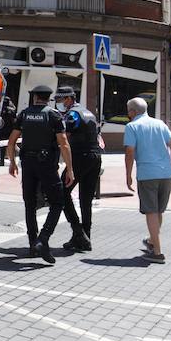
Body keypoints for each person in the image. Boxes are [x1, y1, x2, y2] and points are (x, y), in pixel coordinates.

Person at [7, 85, 75, 264]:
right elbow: (64, 143)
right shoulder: (53, 115)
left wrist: (12, 162)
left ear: (35, 96)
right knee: (58, 202)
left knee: (29, 204)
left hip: (27, 164)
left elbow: (12, 141)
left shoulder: (24, 114)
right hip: (46, 165)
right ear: (49, 98)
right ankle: (43, 239)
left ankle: (32, 245)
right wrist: (69, 169)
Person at [123, 97, 171, 263]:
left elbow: (130, 152)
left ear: (133, 112)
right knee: (158, 211)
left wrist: (128, 175)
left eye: (128, 111)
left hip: (147, 173)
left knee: (151, 211)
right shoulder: (160, 124)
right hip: (165, 173)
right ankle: (151, 241)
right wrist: (170, 164)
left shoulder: (132, 126)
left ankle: (157, 252)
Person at [56, 86, 101, 251]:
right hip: (95, 158)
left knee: (62, 191)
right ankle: (85, 237)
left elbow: (64, 139)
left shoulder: (73, 114)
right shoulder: (88, 112)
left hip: (80, 157)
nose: (59, 104)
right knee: (85, 200)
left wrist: (67, 165)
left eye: (61, 100)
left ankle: (78, 232)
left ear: (69, 98)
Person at [0, 97, 18, 167]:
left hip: (3, 129)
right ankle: (12, 160)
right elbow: (15, 117)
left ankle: (2, 161)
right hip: (11, 129)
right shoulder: (12, 109)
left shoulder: (1, 109)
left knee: (2, 146)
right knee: (12, 145)